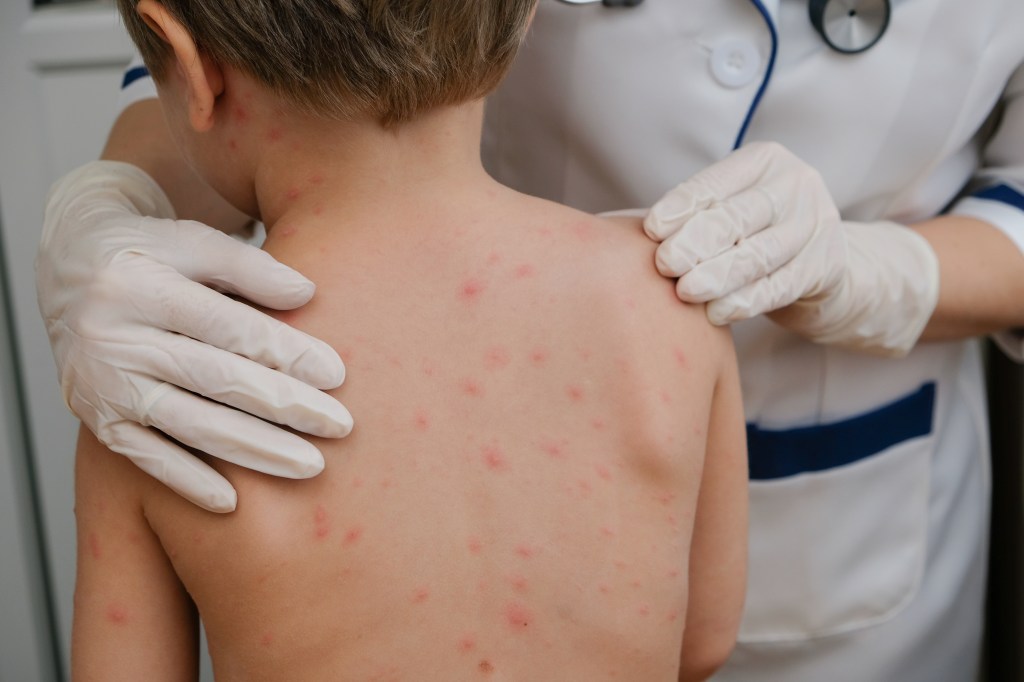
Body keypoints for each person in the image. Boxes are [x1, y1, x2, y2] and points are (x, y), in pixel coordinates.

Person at [37, 1, 1024, 680]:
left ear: (194, 67)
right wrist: (114, 200)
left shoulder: (163, 401)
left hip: (881, 534)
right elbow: (703, 638)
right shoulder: (671, 317)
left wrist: (874, 273)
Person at [70, 0, 748, 680]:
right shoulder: (670, 301)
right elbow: (704, 641)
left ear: (190, 66)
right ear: (524, 15)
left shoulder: (156, 378)